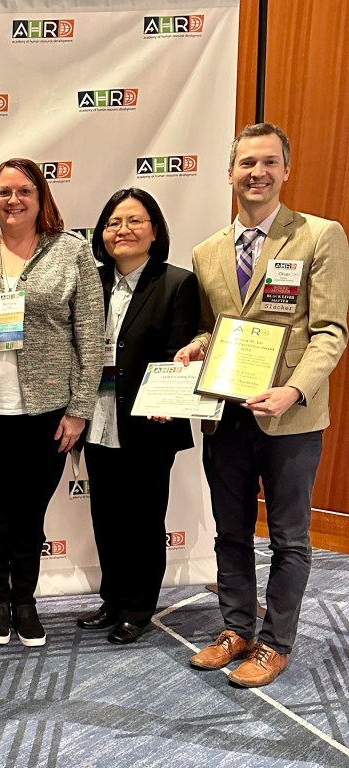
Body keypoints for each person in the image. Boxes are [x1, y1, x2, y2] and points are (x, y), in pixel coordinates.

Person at [177, 123, 349, 687]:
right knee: (229, 529)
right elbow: (214, 329)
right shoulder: (207, 251)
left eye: (269, 162)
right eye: (247, 162)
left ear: (285, 170)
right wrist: (194, 349)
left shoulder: (320, 236)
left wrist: (293, 390)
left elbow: (329, 331)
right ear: (230, 172)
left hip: (291, 417)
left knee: (289, 538)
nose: (258, 173)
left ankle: (274, 643)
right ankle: (235, 630)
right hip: (226, 412)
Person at [0, 158, 102, 648]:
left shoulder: (72, 252)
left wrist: (80, 407)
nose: (13, 201)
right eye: (3, 192)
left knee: (28, 514)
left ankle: (26, 600)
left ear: (42, 199)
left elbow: (90, 333)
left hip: (47, 413)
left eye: (24, 191)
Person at [76, 188, 199, 644]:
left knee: (144, 518)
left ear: (154, 230)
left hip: (149, 424)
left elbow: (179, 354)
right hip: (97, 416)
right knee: (105, 515)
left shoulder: (175, 283)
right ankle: (113, 598)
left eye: (134, 221)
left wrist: (168, 401)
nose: (122, 230)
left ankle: (139, 605)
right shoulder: (93, 282)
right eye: (112, 222)